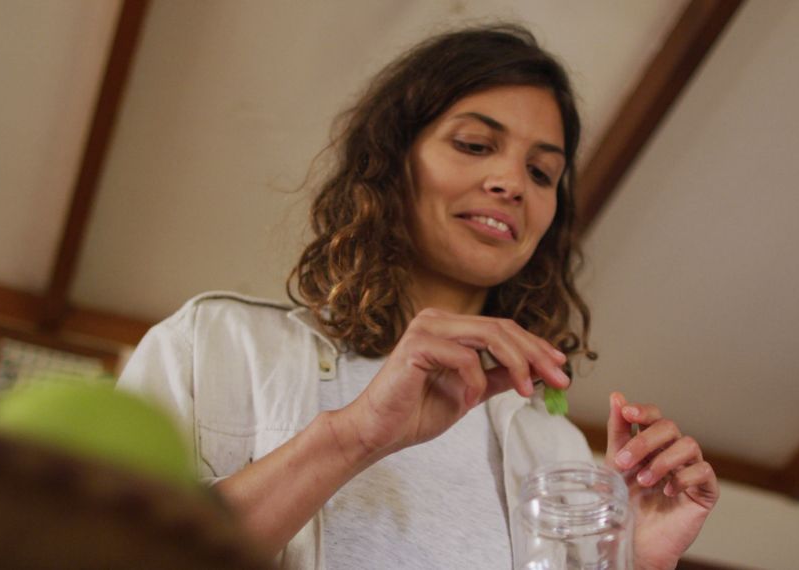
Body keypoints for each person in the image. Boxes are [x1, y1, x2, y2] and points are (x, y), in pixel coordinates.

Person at [118, 24, 718, 569]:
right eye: (475, 145)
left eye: (541, 173)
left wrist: (634, 560)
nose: (511, 183)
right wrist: (353, 436)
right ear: (391, 162)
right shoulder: (213, 344)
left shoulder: (555, 447)